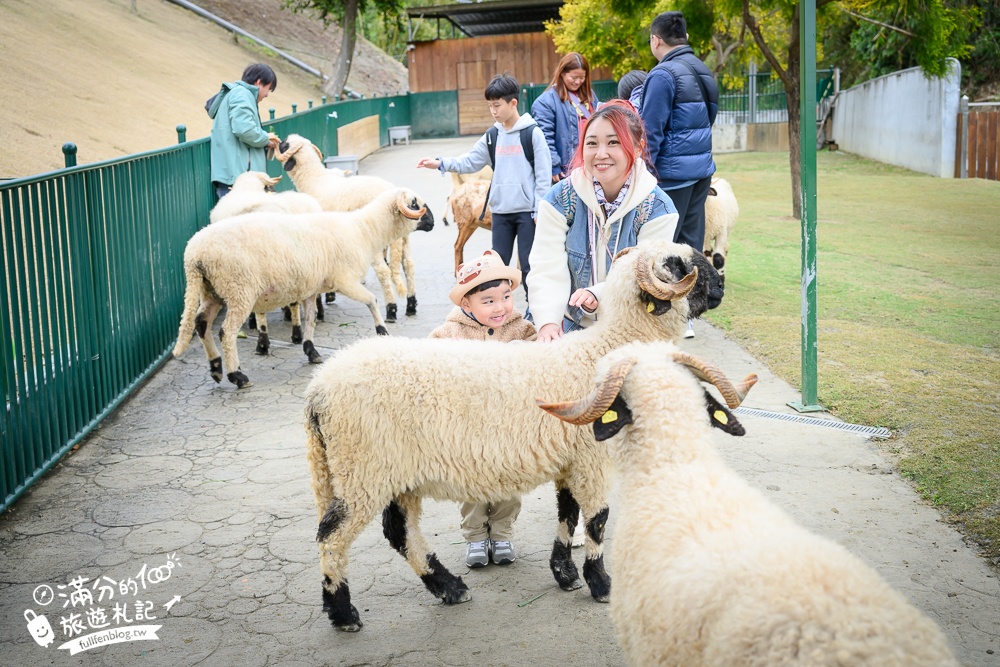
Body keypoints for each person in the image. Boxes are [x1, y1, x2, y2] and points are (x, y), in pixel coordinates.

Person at [527, 100, 679, 342]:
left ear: (638, 148)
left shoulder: (658, 210)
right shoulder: (560, 199)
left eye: (613, 142)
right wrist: (547, 322)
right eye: (591, 143)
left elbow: (644, 277)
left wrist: (599, 294)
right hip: (568, 321)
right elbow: (546, 267)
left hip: (627, 328)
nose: (600, 154)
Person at [428, 250, 537, 567]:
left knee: (509, 482)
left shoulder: (520, 329)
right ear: (467, 304)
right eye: (488, 301)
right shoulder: (450, 333)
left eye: (506, 296)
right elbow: (429, 361)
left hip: (510, 426)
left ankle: (502, 534)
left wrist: (527, 351)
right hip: (469, 426)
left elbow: (538, 360)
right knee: (472, 483)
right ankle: (476, 538)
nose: (501, 306)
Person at [417, 74, 551, 297]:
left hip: (528, 214)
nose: (493, 111)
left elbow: (544, 177)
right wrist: (440, 163)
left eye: (497, 105)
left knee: (529, 268)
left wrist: (539, 209)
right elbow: (469, 161)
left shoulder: (532, 133)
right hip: (500, 213)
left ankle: (534, 312)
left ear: (513, 103)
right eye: (490, 106)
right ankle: (497, 315)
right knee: (496, 271)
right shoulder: (492, 136)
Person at [640, 11, 718, 338]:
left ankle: (666, 314)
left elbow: (650, 130)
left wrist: (646, 174)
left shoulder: (662, 75)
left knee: (662, 246)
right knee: (691, 244)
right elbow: (710, 116)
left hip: (671, 176)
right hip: (701, 172)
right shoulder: (703, 70)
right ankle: (686, 315)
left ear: (656, 40)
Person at [207, 63, 282, 201]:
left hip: (233, 175)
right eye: (268, 89)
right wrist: (266, 139)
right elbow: (245, 130)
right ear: (259, 82)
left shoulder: (237, 93)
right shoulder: (242, 94)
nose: (266, 95)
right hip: (238, 178)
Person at [531, 53, 600, 184]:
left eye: (582, 77)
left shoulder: (590, 96)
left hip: (592, 166)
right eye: (574, 77)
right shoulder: (546, 102)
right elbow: (545, 138)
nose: (578, 81)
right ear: (562, 73)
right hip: (566, 170)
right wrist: (554, 166)